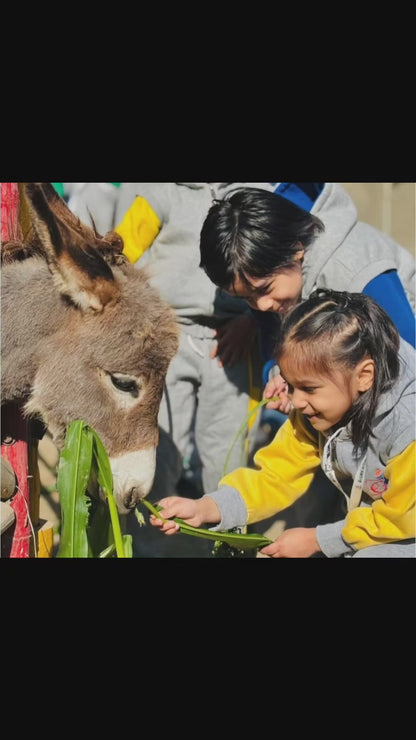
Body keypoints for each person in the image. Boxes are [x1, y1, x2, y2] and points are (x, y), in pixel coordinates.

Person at [149, 289, 416, 558]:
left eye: (308, 388)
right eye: (289, 385)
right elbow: (275, 476)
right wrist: (206, 508)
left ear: (364, 376)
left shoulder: (408, 427)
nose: (295, 401)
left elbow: (399, 518)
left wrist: (317, 540)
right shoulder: (316, 410)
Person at [113, 183, 286, 556]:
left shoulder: (257, 194)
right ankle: (147, 548)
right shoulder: (160, 194)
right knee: (158, 453)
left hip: (234, 340)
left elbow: (280, 270)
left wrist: (253, 321)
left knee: (229, 455)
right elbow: (116, 260)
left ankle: (229, 546)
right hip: (167, 335)